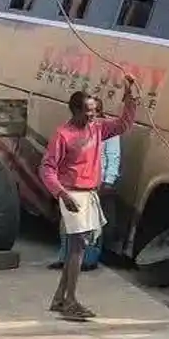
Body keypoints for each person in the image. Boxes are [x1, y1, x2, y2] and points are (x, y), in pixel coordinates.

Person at [40, 76, 137, 321]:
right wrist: (62, 194)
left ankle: (60, 298)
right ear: (75, 111)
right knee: (77, 248)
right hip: (72, 193)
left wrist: (129, 97)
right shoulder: (63, 135)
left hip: (89, 194)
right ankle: (70, 301)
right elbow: (47, 169)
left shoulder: (97, 128)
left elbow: (124, 124)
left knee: (79, 247)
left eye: (94, 111)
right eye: (88, 111)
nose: (93, 115)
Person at [49, 134, 120, 272]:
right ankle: (65, 258)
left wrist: (108, 182)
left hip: (94, 182)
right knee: (67, 220)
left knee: (90, 224)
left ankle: (89, 260)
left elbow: (113, 156)